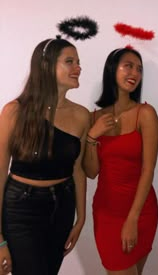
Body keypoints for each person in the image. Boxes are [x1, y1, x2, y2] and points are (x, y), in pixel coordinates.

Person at [0, 38, 90, 275]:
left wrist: (80, 220)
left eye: (79, 62)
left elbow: (78, 171)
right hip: (21, 210)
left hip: (62, 207)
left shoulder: (81, 115)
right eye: (69, 61)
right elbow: (0, 173)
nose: (78, 68)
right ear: (46, 66)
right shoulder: (15, 111)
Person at [83, 47, 158, 275]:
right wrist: (91, 136)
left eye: (139, 68)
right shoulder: (94, 117)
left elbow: (148, 170)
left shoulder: (145, 114)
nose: (135, 72)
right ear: (112, 69)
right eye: (128, 65)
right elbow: (91, 172)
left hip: (141, 210)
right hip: (106, 212)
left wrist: (132, 219)